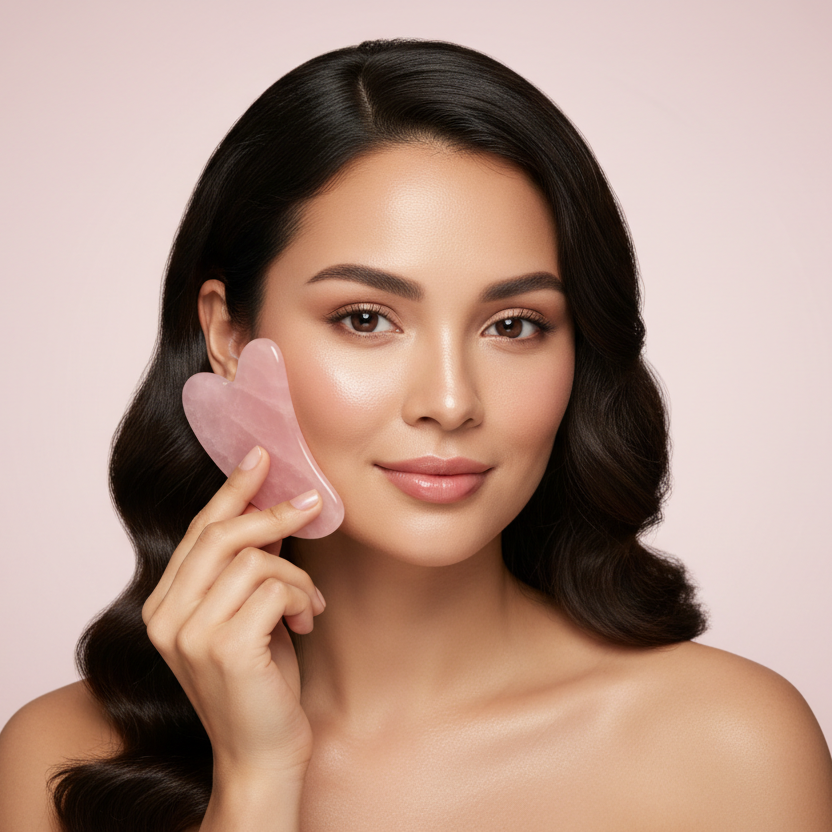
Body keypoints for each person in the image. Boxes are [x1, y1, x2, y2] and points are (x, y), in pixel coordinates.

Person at [1, 38, 830, 832]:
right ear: (227, 334)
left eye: (514, 324)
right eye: (366, 319)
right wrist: (256, 780)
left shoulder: (730, 748)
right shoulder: (61, 761)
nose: (450, 401)